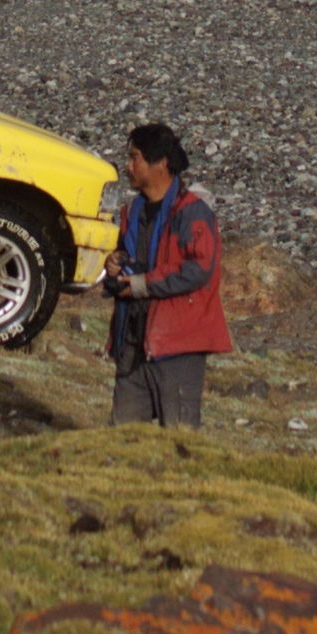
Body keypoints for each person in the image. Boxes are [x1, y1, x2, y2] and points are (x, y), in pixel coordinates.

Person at [101, 120, 229, 426]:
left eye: (135, 157)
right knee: (122, 437)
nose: (128, 166)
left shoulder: (193, 213)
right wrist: (113, 269)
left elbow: (198, 270)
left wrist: (141, 284)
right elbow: (125, 262)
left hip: (178, 343)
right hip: (133, 342)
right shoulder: (130, 213)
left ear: (160, 163)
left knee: (179, 437)